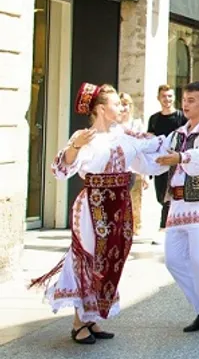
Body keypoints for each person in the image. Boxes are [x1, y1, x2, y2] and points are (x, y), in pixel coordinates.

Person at [31, 83, 163, 344]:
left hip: (119, 206)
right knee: (89, 259)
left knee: (112, 259)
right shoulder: (85, 136)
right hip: (94, 206)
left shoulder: (125, 134)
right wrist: (75, 147)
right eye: (116, 104)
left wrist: (179, 152)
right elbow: (61, 170)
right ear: (101, 109)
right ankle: (79, 322)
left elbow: (153, 149)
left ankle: (93, 316)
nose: (122, 107)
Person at [147, 81, 199, 334]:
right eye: (184, 99)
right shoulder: (177, 134)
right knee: (174, 260)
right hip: (178, 204)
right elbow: (158, 158)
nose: (185, 104)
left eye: (192, 100)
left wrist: (181, 157)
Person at [146, 84, 186, 229]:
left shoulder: (182, 117)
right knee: (161, 195)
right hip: (160, 163)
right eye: (164, 96)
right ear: (158, 98)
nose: (167, 99)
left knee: (173, 196)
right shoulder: (154, 119)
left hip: (176, 163)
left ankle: (166, 226)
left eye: (169, 96)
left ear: (174, 98)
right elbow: (150, 139)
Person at [117, 92, 149, 236]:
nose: (123, 108)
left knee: (135, 200)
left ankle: (135, 228)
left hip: (135, 167)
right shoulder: (114, 125)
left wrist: (145, 173)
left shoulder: (136, 124)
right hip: (118, 168)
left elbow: (142, 148)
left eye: (126, 104)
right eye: (120, 104)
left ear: (130, 106)